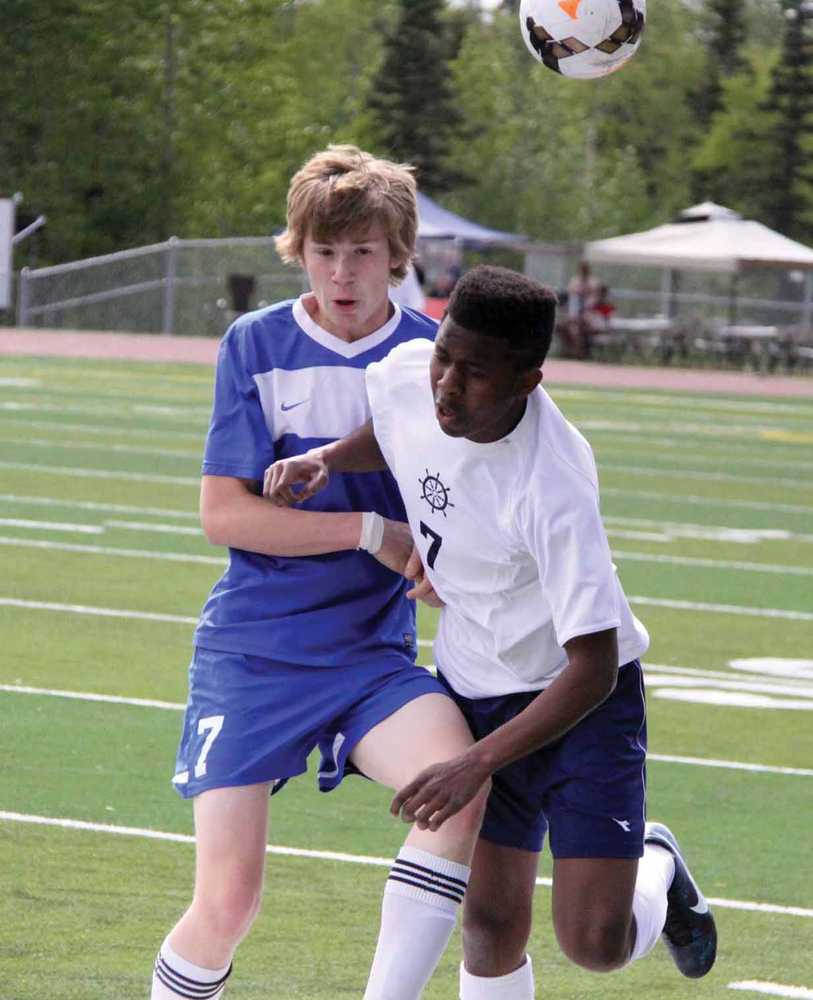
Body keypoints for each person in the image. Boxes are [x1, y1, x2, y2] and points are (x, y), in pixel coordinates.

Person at [264, 265, 718, 999]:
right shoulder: (418, 374)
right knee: (488, 927)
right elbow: (394, 428)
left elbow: (593, 668)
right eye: (445, 354)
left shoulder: (553, 482)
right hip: (476, 683)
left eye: (473, 373)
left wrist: (475, 763)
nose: (445, 382)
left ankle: (656, 865)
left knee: (595, 942)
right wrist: (324, 458)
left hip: (577, 708)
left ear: (525, 381)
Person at [150, 145, 490, 1000]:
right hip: (254, 653)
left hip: (370, 658)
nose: (342, 271)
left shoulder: (429, 356)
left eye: (363, 251)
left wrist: (447, 561)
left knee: (458, 788)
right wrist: (371, 531)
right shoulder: (255, 344)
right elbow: (222, 516)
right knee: (227, 903)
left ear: (397, 254)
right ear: (298, 250)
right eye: (324, 250)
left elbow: (465, 508)